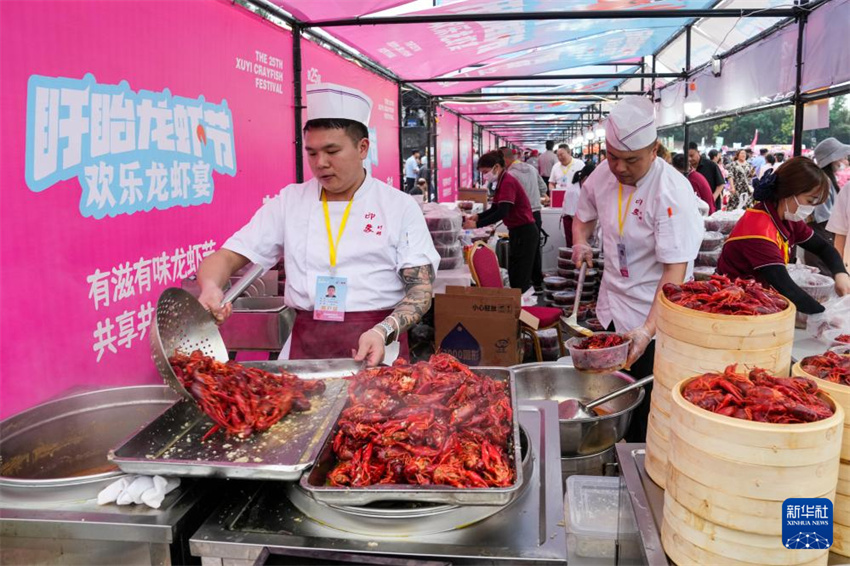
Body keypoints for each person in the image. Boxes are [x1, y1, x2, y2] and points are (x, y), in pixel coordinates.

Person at [196, 83, 440, 367]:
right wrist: (210, 287)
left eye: (332, 151)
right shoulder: (291, 201)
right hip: (306, 346)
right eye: (312, 153)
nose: (320, 163)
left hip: (378, 344)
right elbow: (226, 257)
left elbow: (420, 291)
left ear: (363, 148)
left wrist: (383, 330)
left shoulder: (398, 206)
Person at [572, 96, 703, 443]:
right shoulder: (602, 175)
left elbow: (674, 273)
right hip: (612, 305)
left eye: (631, 160)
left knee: (646, 410)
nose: (619, 168)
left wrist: (646, 331)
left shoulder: (671, 191)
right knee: (608, 396)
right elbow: (583, 216)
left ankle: (636, 461)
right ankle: (610, 450)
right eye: (612, 156)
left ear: (654, 150)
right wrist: (580, 242)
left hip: (655, 314)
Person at [717, 158, 850, 314]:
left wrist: (840, 273)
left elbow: (823, 247)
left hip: (759, 298)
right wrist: (824, 314)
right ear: (788, 193)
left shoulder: (788, 218)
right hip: (733, 303)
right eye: (810, 200)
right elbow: (785, 286)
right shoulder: (758, 229)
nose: (811, 209)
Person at [464, 150, 539, 292]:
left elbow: (502, 211)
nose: (485, 176)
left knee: (520, 276)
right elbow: (495, 208)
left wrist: (477, 224)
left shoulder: (508, 182)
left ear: (496, 167)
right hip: (518, 232)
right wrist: (478, 217)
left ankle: (521, 303)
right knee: (515, 273)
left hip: (525, 232)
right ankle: (518, 301)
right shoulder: (501, 181)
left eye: (485, 172)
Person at [501, 147, 548, 290]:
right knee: (534, 248)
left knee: (520, 253)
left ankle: (523, 288)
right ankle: (537, 282)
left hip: (521, 215)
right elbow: (543, 187)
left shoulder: (510, 174)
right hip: (536, 212)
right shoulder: (531, 169)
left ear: (504, 160)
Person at [807, 138, 850, 273]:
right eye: (842, 157)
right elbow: (823, 214)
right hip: (823, 230)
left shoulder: (827, 179)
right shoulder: (824, 181)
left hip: (824, 230)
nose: (845, 160)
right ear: (833, 159)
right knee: (824, 269)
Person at [548, 144, 584, 247]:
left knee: (576, 231)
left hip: (576, 200)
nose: (560, 157)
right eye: (558, 155)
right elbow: (551, 183)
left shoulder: (579, 164)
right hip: (559, 199)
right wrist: (553, 192)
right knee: (566, 229)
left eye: (562, 154)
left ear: (569, 152)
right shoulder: (556, 166)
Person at [688, 142, 725, 210]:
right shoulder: (686, 168)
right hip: (694, 206)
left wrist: (712, 199)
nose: (689, 159)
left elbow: (721, 184)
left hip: (711, 206)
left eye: (692, 155)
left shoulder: (711, 165)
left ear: (698, 152)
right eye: (687, 156)